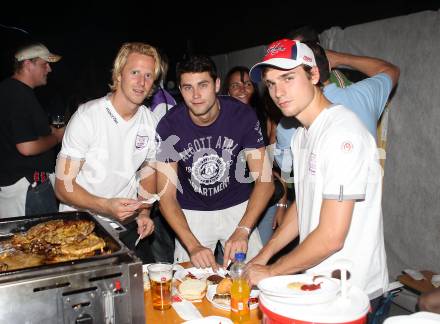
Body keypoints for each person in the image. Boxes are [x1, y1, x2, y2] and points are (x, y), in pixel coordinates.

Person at [244, 39, 397, 309]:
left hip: (352, 291)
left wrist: (271, 271)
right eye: (271, 83)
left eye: (288, 78)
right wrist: (263, 255)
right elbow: (305, 207)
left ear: (314, 75)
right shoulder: (301, 136)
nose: (278, 92)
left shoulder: (342, 134)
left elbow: (331, 236)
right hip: (319, 283)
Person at [155, 55, 274, 271]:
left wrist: (243, 230)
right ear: (180, 90)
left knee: (254, 279)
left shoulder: (242, 115)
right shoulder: (168, 126)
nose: (196, 95)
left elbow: (265, 182)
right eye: (188, 87)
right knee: (189, 287)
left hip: (238, 206)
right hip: (191, 212)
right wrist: (192, 246)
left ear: (217, 85)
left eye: (203, 85)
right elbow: (166, 196)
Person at [55, 42, 160, 263]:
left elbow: (148, 170)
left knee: (146, 288)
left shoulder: (150, 120)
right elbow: (63, 186)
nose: (141, 82)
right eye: (135, 72)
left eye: (148, 75)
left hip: (126, 224)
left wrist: (143, 212)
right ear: (119, 74)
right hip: (81, 226)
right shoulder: (88, 116)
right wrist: (106, 206)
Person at [223, 66, 287, 245]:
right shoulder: (218, 123)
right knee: (228, 261)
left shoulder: (267, 118)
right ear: (227, 91)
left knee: (259, 256)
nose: (242, 89)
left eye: (247, 84)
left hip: (266, 202)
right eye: (235, 85)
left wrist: (282, 205)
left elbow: (276, 168)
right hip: (231, 205)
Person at [0, 41, 64, 217]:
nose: (49, 69)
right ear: (28, 64)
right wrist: (57, 137)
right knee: (44, 242)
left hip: (14, 185)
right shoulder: (19, 95)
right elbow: (26, 147)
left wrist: (46, 130)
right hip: (29, 189)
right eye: (45, 64)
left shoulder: (7, 89)